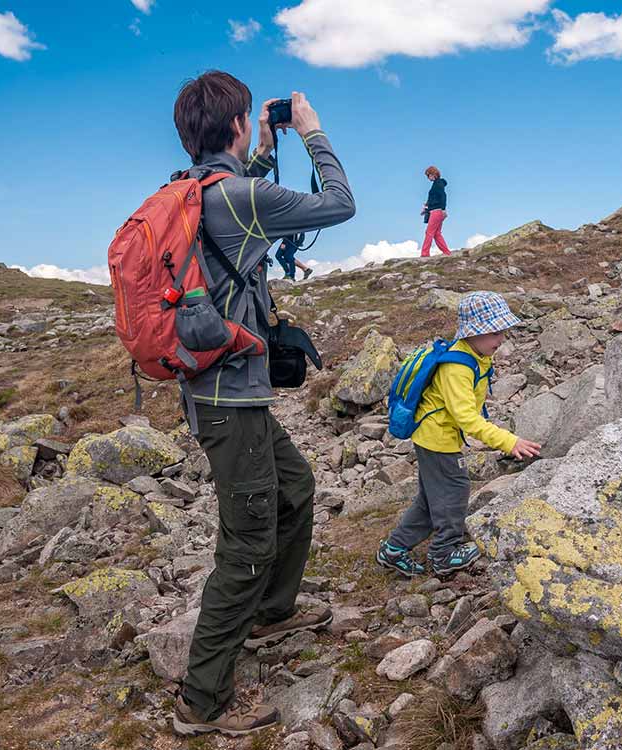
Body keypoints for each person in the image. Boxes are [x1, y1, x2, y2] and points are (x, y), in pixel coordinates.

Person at [170, 72, 355, 738]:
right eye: (250, 120)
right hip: (229, 401)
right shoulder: (239, 197)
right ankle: (202, 700)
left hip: (217, 390)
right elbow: (340, 204)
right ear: (239, 125)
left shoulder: (192, 190)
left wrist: (267, 142)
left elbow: (249, 193)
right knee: (247, 542)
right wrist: (311, 131)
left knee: (296, 488)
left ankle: (275, 613)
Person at [377, 291, 542, 577]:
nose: (500, 339)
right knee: (454, 491)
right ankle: (444, 553)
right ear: (473, 333)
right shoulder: (457, 366)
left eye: (502, 331)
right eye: (494, 332)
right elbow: (465, 417)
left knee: (431, 500)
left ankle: (394, 549)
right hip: (437, 439)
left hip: (435, 437)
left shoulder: (474, 354)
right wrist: (509, 441)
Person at [420, 166, 451, 257]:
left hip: (437, 211)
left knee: (429, 232)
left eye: (428, 175)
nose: (428, 178)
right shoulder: (436, 184)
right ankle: (447, 252)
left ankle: (425, 253)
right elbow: (433, 199)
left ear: (433, 174)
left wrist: (443, 209)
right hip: (436, 211)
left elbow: (443, 196)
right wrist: (426, 207)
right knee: (436, 233)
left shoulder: (438, 183)